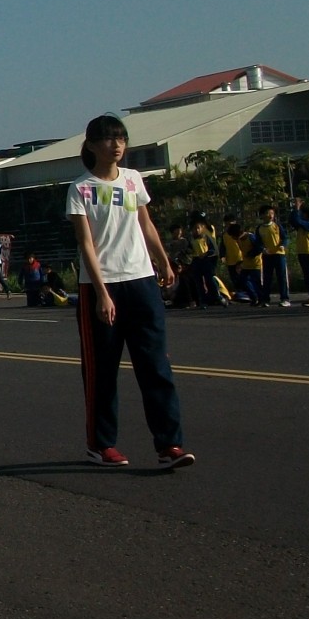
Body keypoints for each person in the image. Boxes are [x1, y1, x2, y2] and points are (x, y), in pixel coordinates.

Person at [65, 114, 193, 470]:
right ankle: (101, 445)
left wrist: (163, 262)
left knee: (155, 366)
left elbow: (145, 223)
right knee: (102, 371)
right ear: (92, 145)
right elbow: (86, 244)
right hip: (101, 287)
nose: (117, 145)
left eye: (121, 139)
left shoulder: (134, 179)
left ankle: (169, 446)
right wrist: (102, 293)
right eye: (109, 139)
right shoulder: (80, 188)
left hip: (141, 283)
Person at [287, 197, 309, 307]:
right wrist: (295, 209)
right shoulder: (302, 226)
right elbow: (292, 220)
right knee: (307, 277)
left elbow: (297, 220)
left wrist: (298, 208)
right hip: (302, 252)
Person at [255, 204, 291, 307]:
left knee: (282, 277)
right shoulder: (259, 228)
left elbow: (284, 237)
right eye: (268, 213)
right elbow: (258, 242)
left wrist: (283, 245)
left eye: (272, 213)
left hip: (279, 254)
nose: (271, 215)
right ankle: (265, 300)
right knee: (267, 278)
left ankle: (285, 299)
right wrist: (262, 249)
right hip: (267, 255)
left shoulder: (277, 225)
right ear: (262, 215)